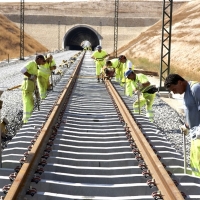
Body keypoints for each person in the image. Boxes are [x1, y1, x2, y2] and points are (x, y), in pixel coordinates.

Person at [164, 73, 200, 177]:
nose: (174, 93)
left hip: (199, 135)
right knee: (195, 162)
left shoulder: (196, 88)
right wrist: (187, 125)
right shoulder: (186, 93)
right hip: (195, 135)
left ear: (180, 82)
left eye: (174, 89)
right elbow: (193, 112)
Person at [20, 54, 46, 123]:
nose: (42, 62)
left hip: (30, 88)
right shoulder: (32, 63)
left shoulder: (36, 67)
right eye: (42, 61)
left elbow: (35, 79)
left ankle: (28, 119)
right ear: (39, 59)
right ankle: (26, 121)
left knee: (31, 103)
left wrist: (36, 89)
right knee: (27, 103)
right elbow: (22, 70)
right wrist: (30, 76)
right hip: (26, 87)